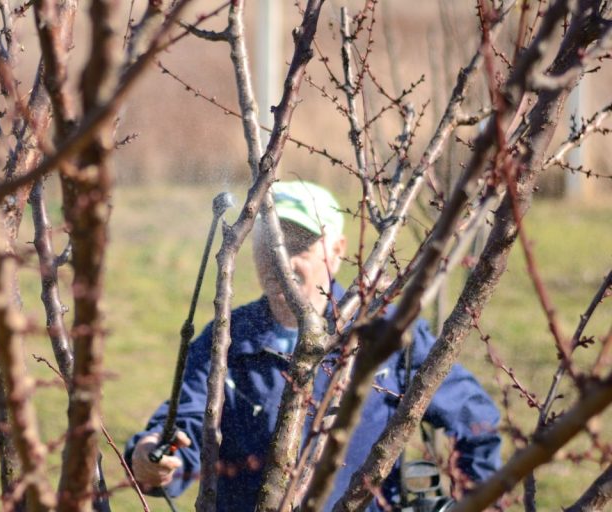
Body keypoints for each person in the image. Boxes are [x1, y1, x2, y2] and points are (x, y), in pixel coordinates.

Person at [124, 181, 501, 511]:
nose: (280, 260)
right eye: (268, 242)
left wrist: (476, 500)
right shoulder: (226, 338)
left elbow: (477, 422)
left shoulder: (386, 333)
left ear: (337, 250)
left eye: (299, 244)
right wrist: (155, 453)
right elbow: (185, 427)